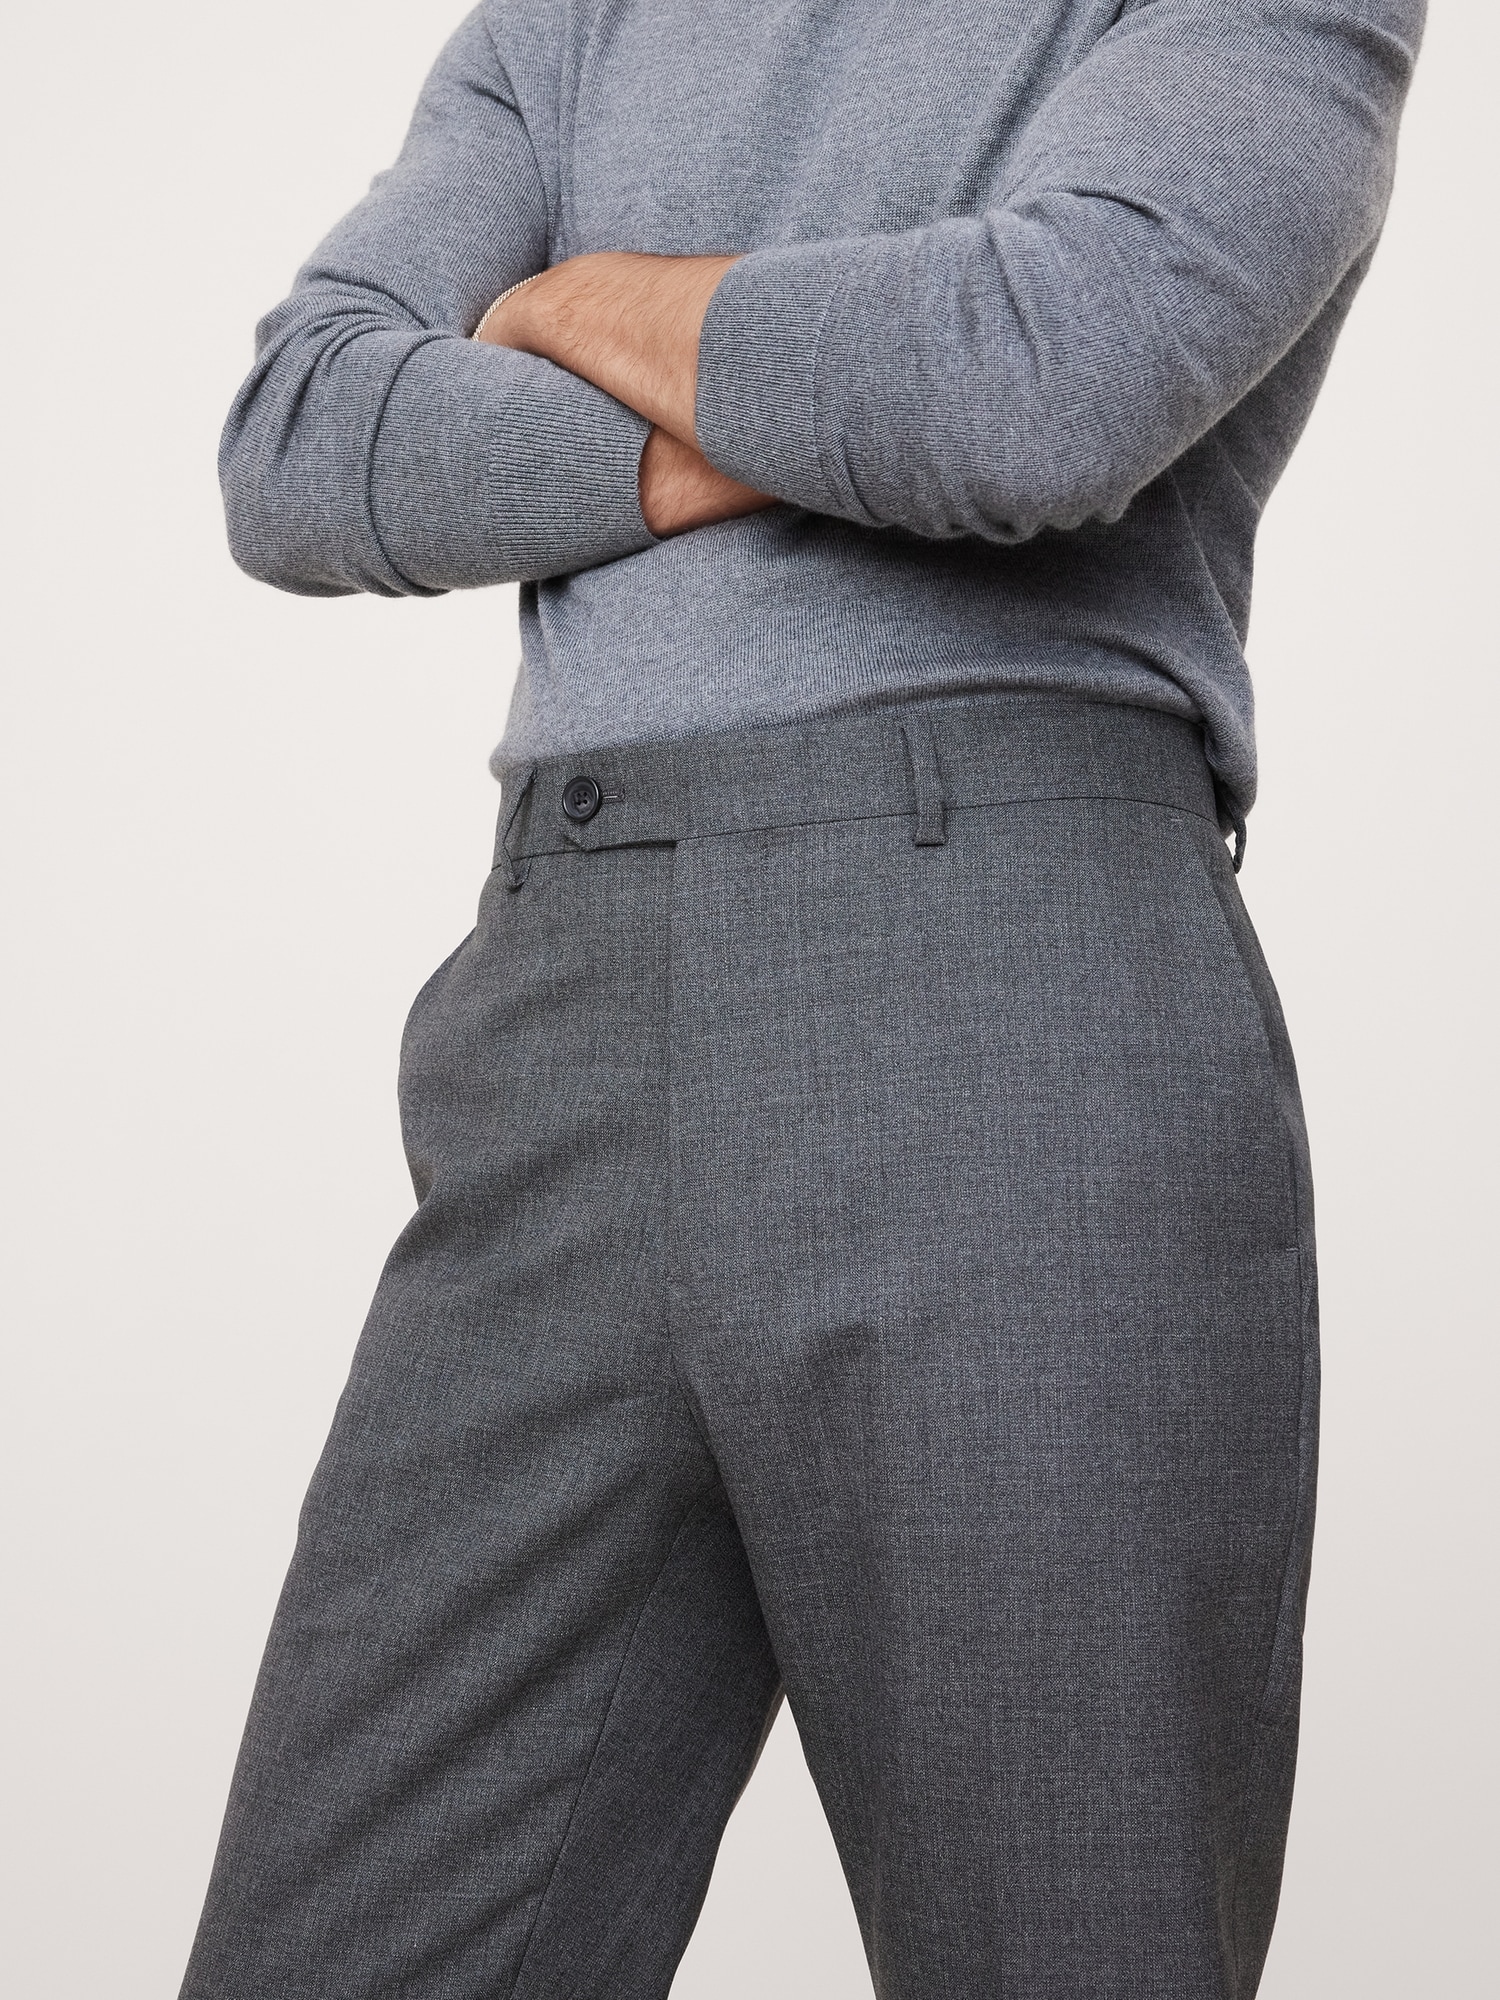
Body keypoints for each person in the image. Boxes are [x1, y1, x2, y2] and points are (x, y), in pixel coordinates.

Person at [179, 2, 1424, 1994]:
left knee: (1069, 1940)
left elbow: (1036, 384)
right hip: (560, 1010)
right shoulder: (574, 17)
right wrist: (794, 409)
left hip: (1014, 1009)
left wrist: (581, 303)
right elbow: (304, 442)